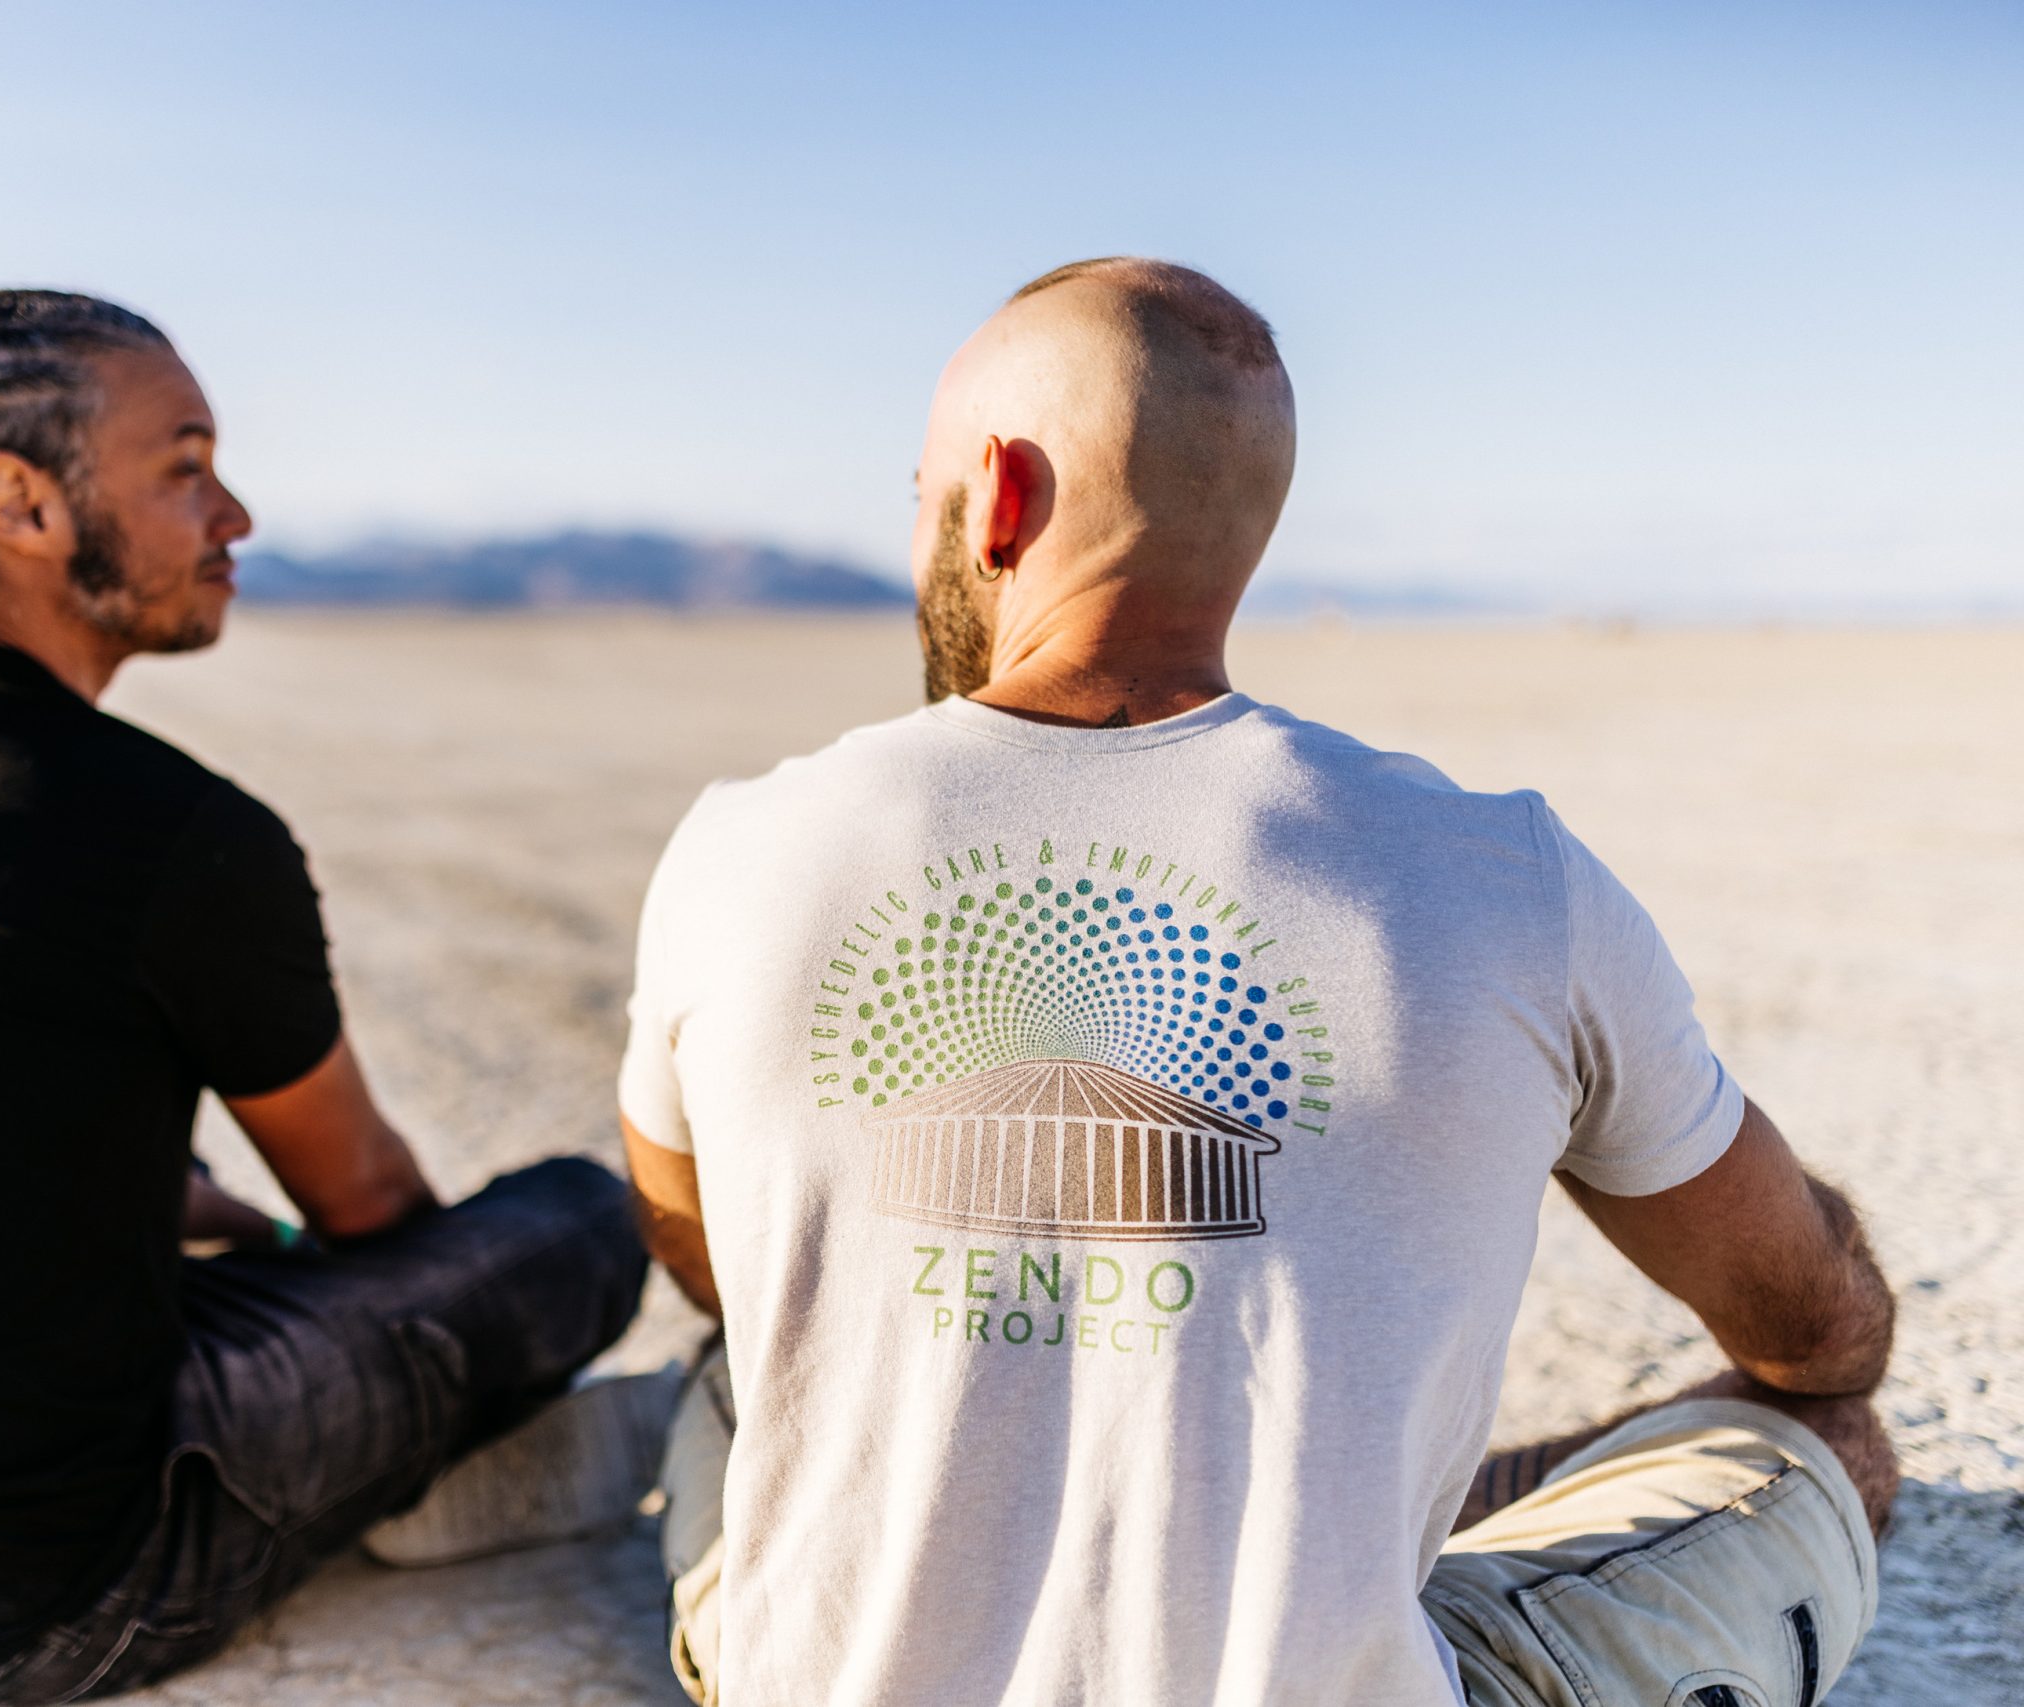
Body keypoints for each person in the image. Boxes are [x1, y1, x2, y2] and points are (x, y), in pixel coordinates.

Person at [619, 259, 1898, 1706]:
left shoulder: (739, 848)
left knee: (741, 1381)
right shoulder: (1503, 874)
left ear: (999, 498)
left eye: (922, 494)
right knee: (1827, 1452)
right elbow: (1810, 1332)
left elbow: (707, 1255)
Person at [0, 290, 657, 1704]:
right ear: (17, 501)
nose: (235, 514)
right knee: (579, 1217)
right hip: (45, 1594)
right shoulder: (163, 827)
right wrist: (425, 1347)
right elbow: (369, 1208)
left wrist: (197, 1212)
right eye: (184, 467)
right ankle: (437, 1475)